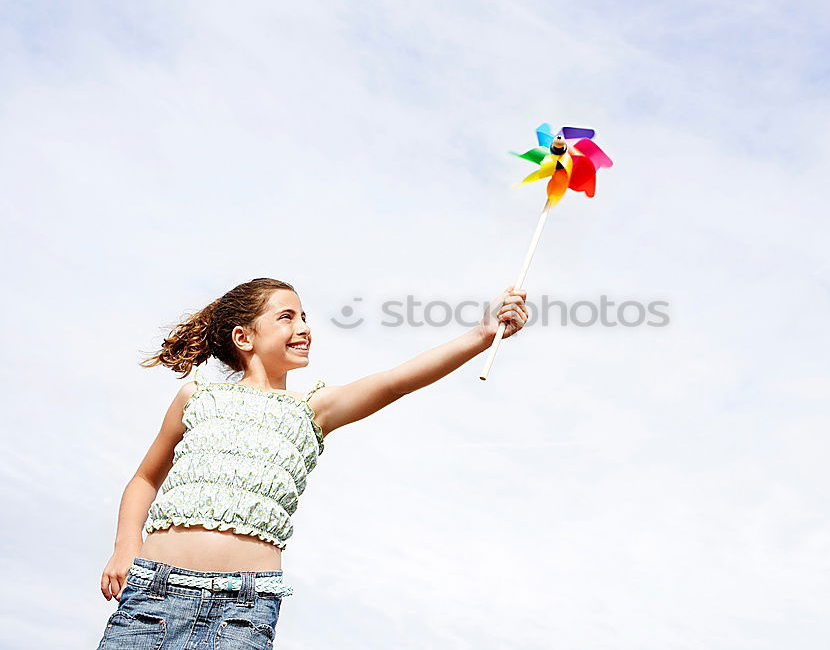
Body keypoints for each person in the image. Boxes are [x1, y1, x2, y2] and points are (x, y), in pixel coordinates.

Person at [96, 277, 528, 648]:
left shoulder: (313, 408)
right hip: (154, 595)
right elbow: (144, 479)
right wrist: (125, 545)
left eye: (304, 318)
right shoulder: (197, 397)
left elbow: (396, 381)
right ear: (244, 338)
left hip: (243, 612)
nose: (303, 327)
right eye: (287, 317)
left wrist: (480, 335)